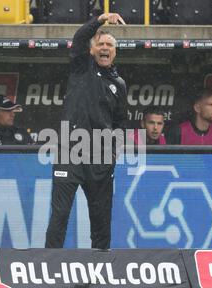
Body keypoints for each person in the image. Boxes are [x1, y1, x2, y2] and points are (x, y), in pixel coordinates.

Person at [45, 12, 127, 250]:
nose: (104, 48)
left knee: (101, 218)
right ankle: (49, 267)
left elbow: (121, 122)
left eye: (109, 45)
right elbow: (80, 37)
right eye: (100, 44)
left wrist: (114, 151)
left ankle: (99, 271)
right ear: (91, 51)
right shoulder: (82, 67)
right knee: (60, 215)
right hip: (70, 152)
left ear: (115, 52)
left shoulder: (119, 84)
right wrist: (100, 20)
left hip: (101, 157)